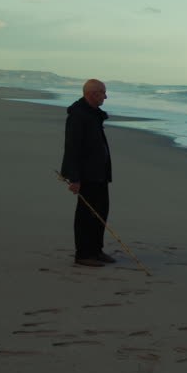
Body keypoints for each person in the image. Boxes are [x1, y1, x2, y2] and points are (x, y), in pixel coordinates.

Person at [60, 78, 114, 267]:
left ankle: (96, 250)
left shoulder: (94, 113)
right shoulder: (78, 115)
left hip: (99, 173)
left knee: (101, 211)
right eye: (103, 93)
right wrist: (73, 178)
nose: (105, 97)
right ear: (93, 94)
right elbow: (72, 148)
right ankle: (83, 254)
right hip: (86, 174)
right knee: (86, 214)